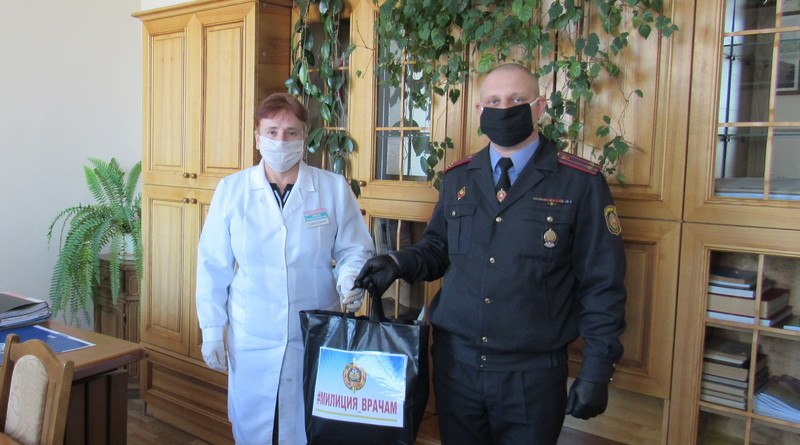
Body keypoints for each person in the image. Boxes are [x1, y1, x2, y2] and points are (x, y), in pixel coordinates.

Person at [354, 63, 627, 445]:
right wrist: (397, 262)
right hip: (456, 366)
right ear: (480, 111)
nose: (505, 109)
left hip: (531, 373)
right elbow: (438, 249)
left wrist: (598, 370)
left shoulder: (579, 182)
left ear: (539, 107)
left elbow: (603, 283)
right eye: (494, 102)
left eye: (517, 100)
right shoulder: (459, 177)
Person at [195, 93, 374, 445]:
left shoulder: (332, 188)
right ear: (257, 138)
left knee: (310, 427)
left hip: (315, 331)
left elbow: (354, 248)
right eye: (272, 132)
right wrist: (213, 329)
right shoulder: (233, 190)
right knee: (256, 429)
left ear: (304, 138)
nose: (281, 141)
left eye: (291, 132)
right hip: (252, 335)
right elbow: (213, 266)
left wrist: (351, 278)